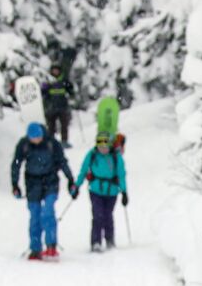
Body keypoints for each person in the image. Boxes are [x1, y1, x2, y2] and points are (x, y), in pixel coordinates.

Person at [11, 122, 77, 260]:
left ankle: (51, 245)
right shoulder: (24, 145)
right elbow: (16, 163)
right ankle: (35, 248)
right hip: (32, 183)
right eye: (33, 138)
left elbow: (62, 162)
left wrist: (71, 180)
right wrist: (15, 184)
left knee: (48, 212)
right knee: (35, 215)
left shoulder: (52, 143)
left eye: (38, 137)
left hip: (50, 181)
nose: (36, 141)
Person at [76, 131, 129, 253]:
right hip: (95, 190)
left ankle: (109, 239)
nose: (103, 149)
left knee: (108, 215)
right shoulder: (92, 155)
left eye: (105, 146)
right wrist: (76, 186)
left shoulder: (116, 157)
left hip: (112, 191)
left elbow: (121, 174)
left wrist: (124, 192)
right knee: (97, 215)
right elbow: (83, 170)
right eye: (100, 146)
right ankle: (96, 242)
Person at [40, 65, 75, 147]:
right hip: (51, 107)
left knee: (64, 125)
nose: (55, 72)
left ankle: (64, 141)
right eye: (54, 70)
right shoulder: (48, 80)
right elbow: (43, 92)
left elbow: (71, 90)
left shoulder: (64, 80)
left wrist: (71, 92)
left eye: (57, 70)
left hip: (62, 106)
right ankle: (51, 141)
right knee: (51, 126)